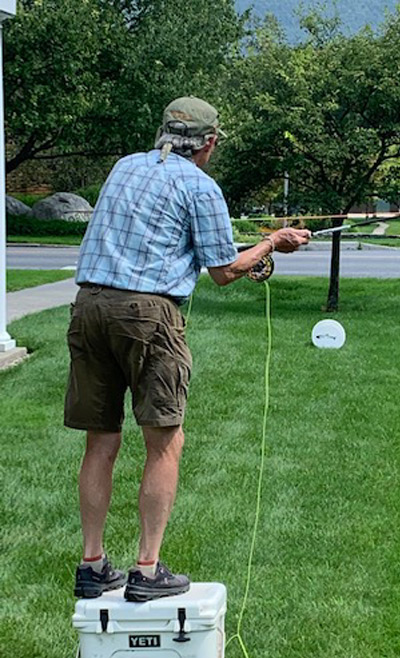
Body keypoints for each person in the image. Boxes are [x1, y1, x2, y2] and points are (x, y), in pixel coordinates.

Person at [66, 95, 310, 602]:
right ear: (210, 142)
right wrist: (270, 245)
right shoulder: (200, 185)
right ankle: (147, 570)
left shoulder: (125, 166)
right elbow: (224, 271)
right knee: (165, 442)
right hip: (148, 315)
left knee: (101, 441)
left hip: (87, 305)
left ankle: (92, 565)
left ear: (165, 133)